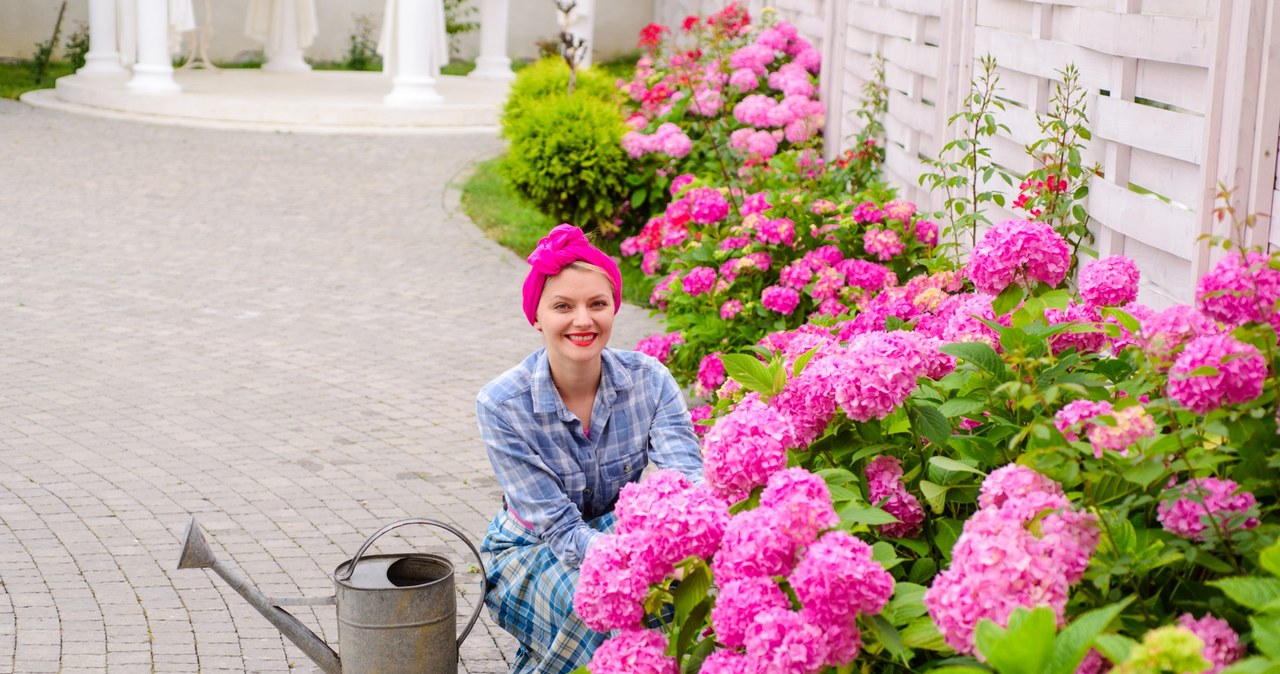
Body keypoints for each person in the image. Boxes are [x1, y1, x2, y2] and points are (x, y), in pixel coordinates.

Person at [476, 224, 703, 674]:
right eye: (563, 306)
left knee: (674, 600)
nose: (583, 320)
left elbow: (686, 482)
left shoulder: (649, 380)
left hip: (615, 531)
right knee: (608, 608)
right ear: (537, 316)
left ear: (614, 308)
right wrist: (643, 565)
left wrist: (682, 550)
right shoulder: (502, 404)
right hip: (527, 550)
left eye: (597, 304)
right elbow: (560, 532)